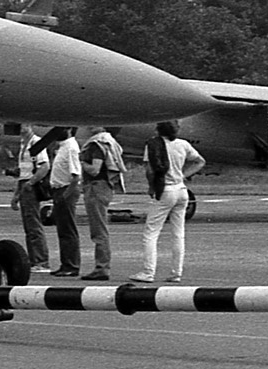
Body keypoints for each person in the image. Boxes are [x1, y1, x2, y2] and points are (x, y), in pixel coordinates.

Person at [131, 120, 206, 283]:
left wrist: (151, 187)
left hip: (165, 189)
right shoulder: (183, 144)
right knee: (178, 233)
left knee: (151, 233)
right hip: (181, 189)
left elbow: (150, 170)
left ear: (158, 130)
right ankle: (176, 272)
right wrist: (184, 175)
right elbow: (200, 161)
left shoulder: (153, 145)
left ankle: (148, 271)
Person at [78, 126, 126, 280]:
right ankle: (101, 266)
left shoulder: (97, 145)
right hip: (104, 187)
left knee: (99, 230)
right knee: (99, 228)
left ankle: (102, 267)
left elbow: (94, 170)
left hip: (96, 187)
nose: (90, 125)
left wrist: (82, 162)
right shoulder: (109, 142)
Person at [11, 126, 51, 274]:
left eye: (24, 125)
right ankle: (34, 259)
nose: (21, 128)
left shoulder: (36, 143)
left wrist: (31, 182)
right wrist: (16, 195)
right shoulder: (23, 144)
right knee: (28, 225)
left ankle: (41, 261)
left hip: (30, 185)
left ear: (30, 126)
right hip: (24, 183)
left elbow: (44, 166)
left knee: (34, 224)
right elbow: (22, 172)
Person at [46, 126, 83, 277]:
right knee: (62, 230)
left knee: (68, 230)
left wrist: (65, 195)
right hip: (58, 190)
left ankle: (71, 265)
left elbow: (76, 176)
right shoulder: (62, 147)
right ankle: (65, 263)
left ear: (68, 129)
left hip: (65, 190)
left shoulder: (71, 148)